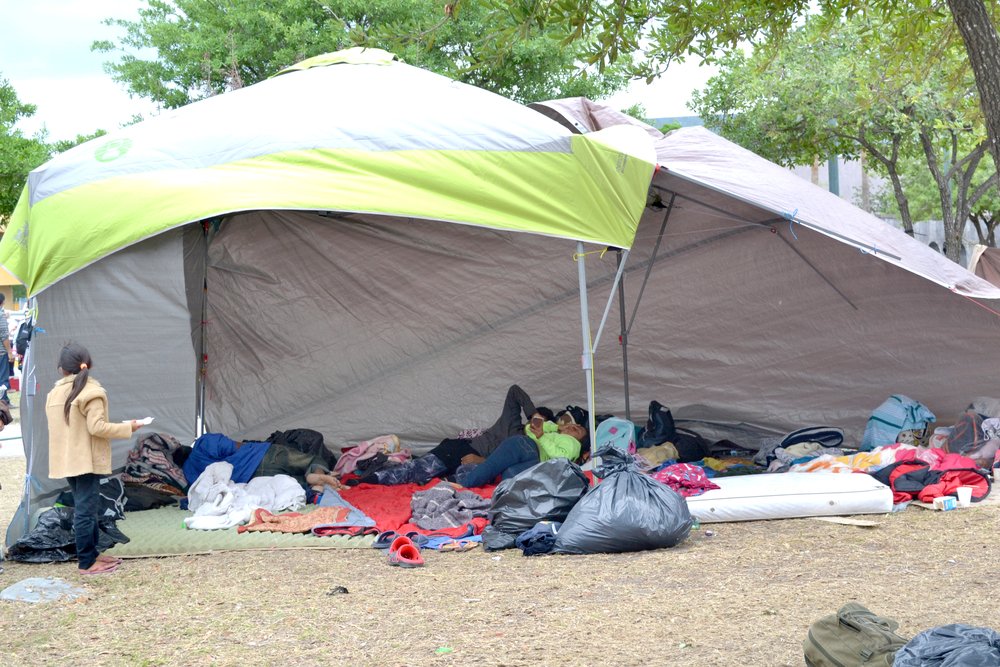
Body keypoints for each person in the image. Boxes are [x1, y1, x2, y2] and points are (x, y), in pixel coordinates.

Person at [45, 343, 141, 575]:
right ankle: (87, 562)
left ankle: (94, 553)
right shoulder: (91, 392)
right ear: (88, 364)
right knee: (86, 512)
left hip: (67, 461)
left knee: (86, 508)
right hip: (85, 461)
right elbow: (97, 428)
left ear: (61, 369)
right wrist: (129, 427)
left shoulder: (54, 394)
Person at [363, 385, 549, 486]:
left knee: (427, 479)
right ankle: (366, 480)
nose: (537, 426)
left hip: (471, 462)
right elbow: (514, 391)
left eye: (543, 423)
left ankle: (377, 473)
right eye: (536, 421)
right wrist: (533, 413)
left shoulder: (532, 451)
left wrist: (483, 460)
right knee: (415, 470)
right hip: (462, 449)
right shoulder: (511, 425)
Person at [456, 412, 588, 488]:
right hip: (528, 452)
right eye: (574, 426)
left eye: (579, 430)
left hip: (531, 454)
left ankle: (466, 486)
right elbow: (530, 427)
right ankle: (466, 484)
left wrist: (542, 437)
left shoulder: (574, 444)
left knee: (499, 473)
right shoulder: (556, 433)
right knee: (501, 471)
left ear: (582, 441)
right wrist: (558, 428)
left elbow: (560, 457)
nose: (574, 428)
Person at [0, 294, 13, 404]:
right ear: (2, 303)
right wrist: (9, 352)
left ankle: (5, 400)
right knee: (3, 378)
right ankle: (3, 401)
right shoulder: (1, 316)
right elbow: (4, 336)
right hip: (1, 353)